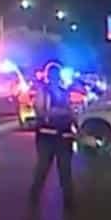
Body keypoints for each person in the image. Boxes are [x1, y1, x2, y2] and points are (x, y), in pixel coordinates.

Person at [29, 65, 76, 210]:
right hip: (47, 136)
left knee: (65, 171)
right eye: (53, 75)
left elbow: (71, 112)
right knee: (43, 169)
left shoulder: (64, 92)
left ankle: (69, 200)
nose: (55, 78)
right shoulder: (43, 92)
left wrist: (75, 128)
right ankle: (34, 197)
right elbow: (40, 112)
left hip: (64, 136)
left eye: (56, 75)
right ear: (49, 77)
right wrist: (58, 113)